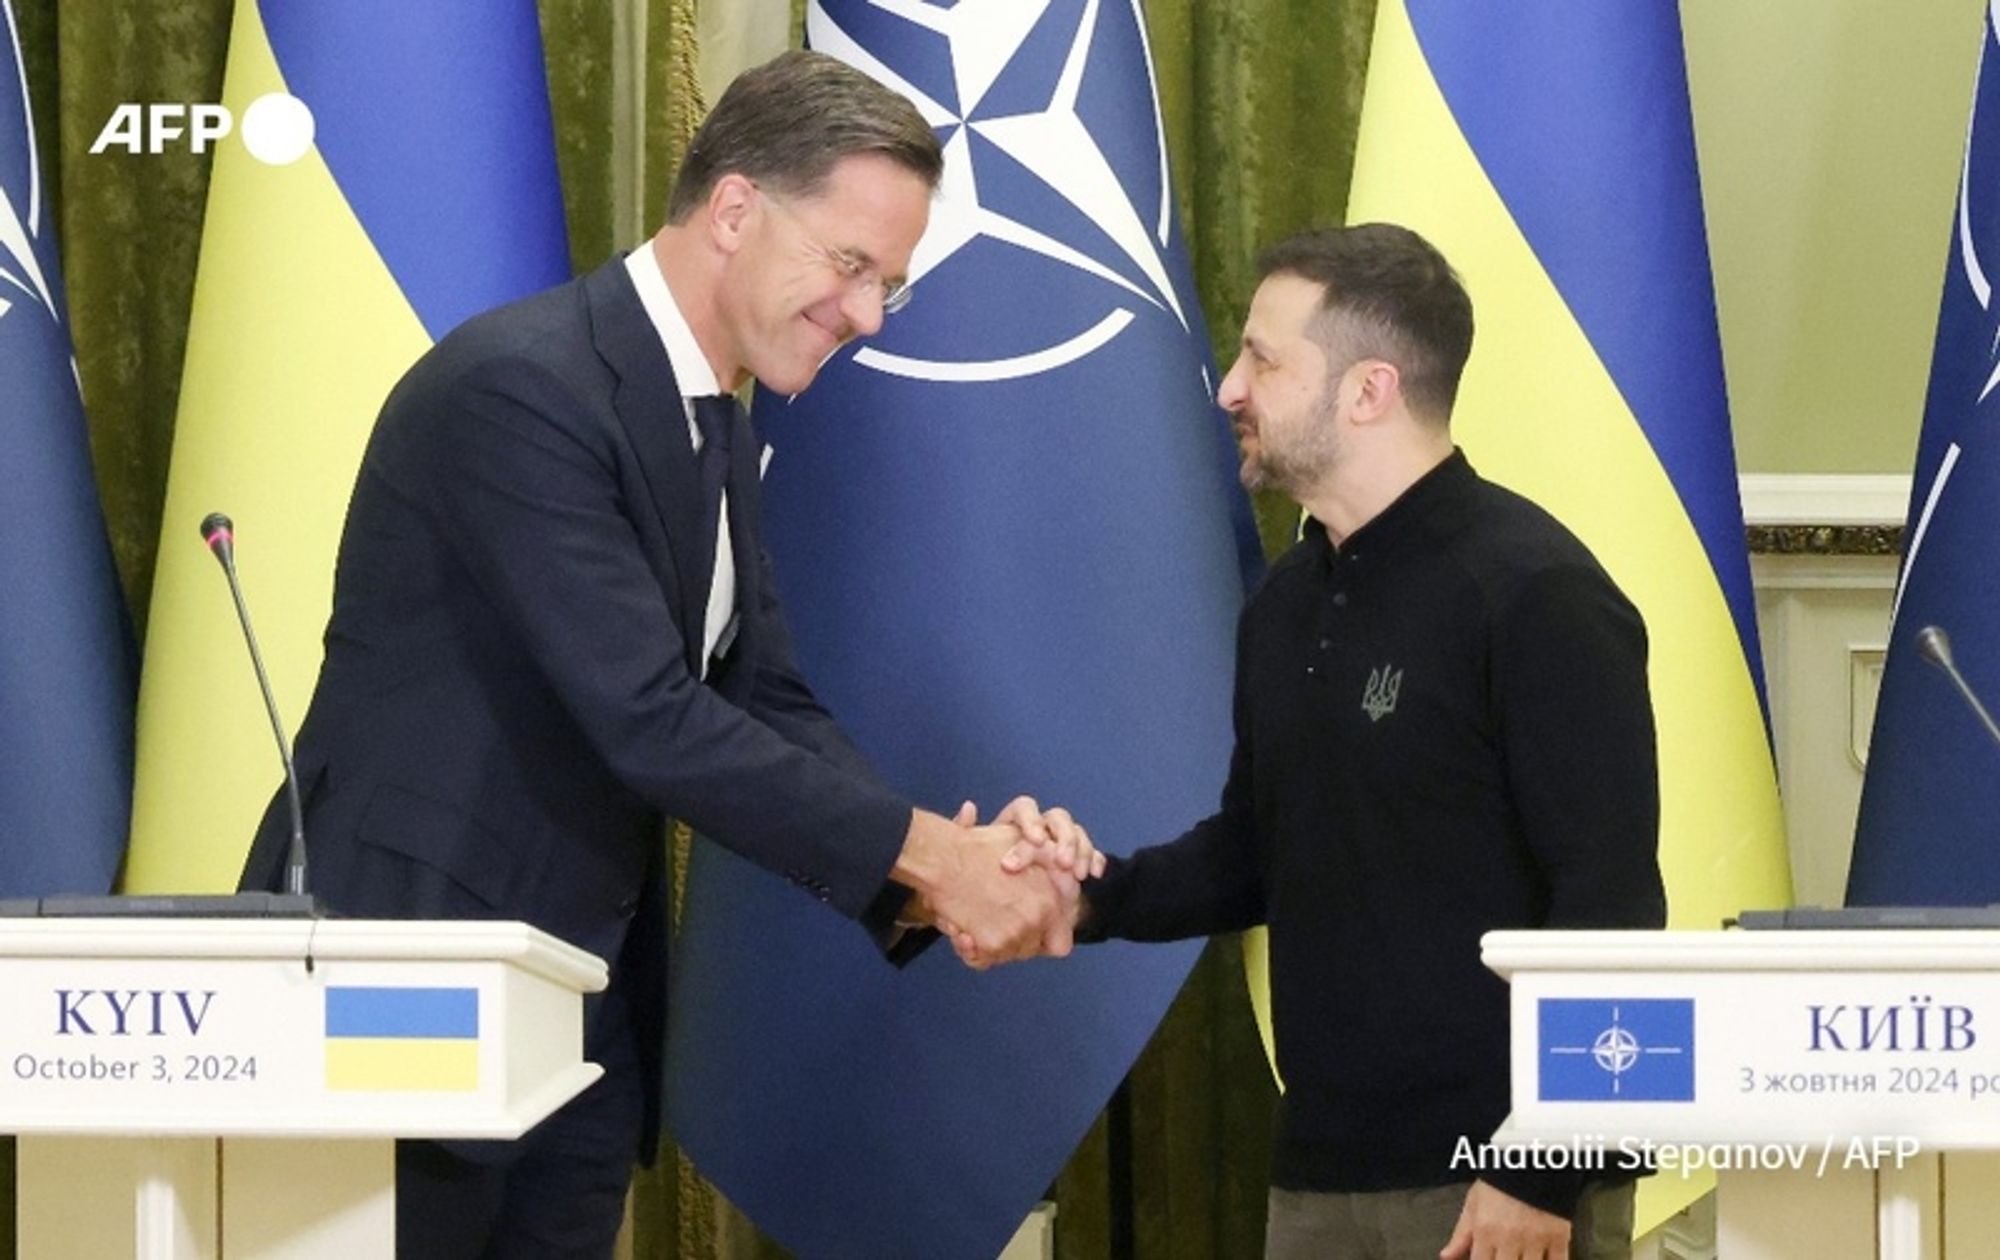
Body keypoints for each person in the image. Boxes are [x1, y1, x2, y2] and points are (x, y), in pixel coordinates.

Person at [240, 50, 1096, 1259]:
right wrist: (935, 858)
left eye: (886, 287)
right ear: (735, 209)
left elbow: (767, 699)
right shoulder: (520, 391)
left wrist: (939, 868)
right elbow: (648, 716)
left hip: (573, 1022)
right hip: (407, 993)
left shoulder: (710, 418)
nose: (862, 314)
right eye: (850, 266)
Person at [1067, 224, 1666, 1260]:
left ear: (1367, 390)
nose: (1228, 389)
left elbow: (1610, 910)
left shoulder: (1536, 595)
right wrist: (1083, 894)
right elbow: (1257, 850)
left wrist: (1542, 1169)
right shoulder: (1285, 601)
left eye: (1261, 357)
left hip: (1499, 1188)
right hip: (1317, 1172)